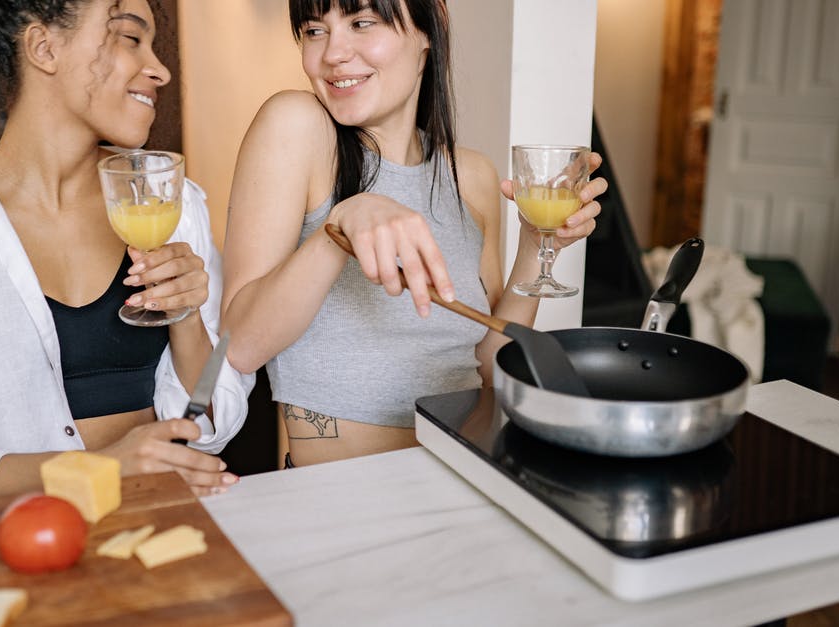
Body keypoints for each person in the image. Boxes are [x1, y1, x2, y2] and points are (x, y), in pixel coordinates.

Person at [0, 0, 252, 509]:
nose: (160, 70)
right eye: (130, 38)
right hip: (22, 544)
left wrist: (187, 317)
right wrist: (101, 468)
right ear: (44, 48)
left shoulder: (170, 200)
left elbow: (214, 422)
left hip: (161, 525)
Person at [221, 0, 606, 468]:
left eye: (361, 23)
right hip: (344, 495)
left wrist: (535, 246)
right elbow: (240, 344)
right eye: (313, 30)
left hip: (469, 477)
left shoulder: (472, 175)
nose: (333, 53)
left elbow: (487, 367)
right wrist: (338, 229)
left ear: (430, 28)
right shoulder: (297, 125)